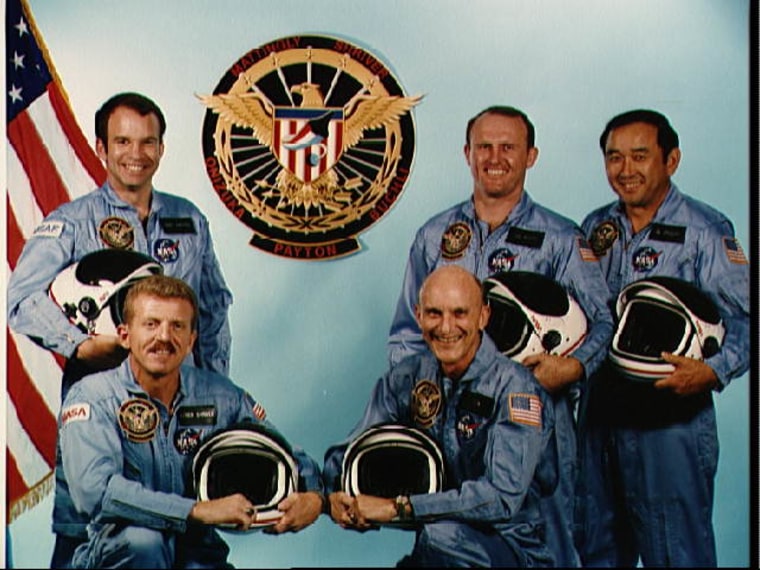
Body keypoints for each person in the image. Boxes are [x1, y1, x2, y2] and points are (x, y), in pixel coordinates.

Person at [6, 91, 233, 567]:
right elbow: (22, 300)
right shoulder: (71, 223)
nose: (136, 154)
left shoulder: (189, 220)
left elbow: (212, 312)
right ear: (101, 149)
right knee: (95, 533)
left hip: (178, 411)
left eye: (147, 142)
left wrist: (212, 390)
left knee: (185, 536)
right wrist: (83, 346)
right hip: (102, 406)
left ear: (162, 148)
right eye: (123, 142)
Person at [387, 105, 614, 566]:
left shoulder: (561, 239)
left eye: (508, 147)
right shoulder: (434, 236)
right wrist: (419, 402)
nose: (495, 157)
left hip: (533, 424)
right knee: (447, 542)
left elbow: (603, 324)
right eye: (484, 147)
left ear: (531, 155)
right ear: (467, 154)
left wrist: (571, 367)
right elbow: (407, 336)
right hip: (451, 428)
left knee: (545, 548)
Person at [577, 109, 750, 567]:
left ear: (671, 159)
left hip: (670, 422)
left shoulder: (705, 231)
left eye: (639, 156)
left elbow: (747, 321)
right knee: (596, 550)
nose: (625, 170)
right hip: (601, 417)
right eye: (614, 158)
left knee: (677, 554)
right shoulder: (596, 228)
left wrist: (712, 371)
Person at [58, 275, 324, 568]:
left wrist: (313, 496)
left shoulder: (220, 396)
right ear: (125, 335)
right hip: (118, 552)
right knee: (145, 542)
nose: (163, 336)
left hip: (198, 553)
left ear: (190, 341)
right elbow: (95, 492)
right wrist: (195, 511)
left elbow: (284, 452)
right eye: (151, 324)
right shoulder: (93, 397)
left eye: (177, 326)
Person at [324, 266, 558, 567]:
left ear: (483, 316)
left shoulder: (516, 388)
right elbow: (348, 454)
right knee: (436, 541)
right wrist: (331, 497)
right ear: (419, 316)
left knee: (441, 538)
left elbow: (501, 497)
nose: (446, 328)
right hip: (439, 545)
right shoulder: (408, 378)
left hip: (511, 547)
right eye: (435, 314)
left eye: (460, 313)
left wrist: (399, 507)